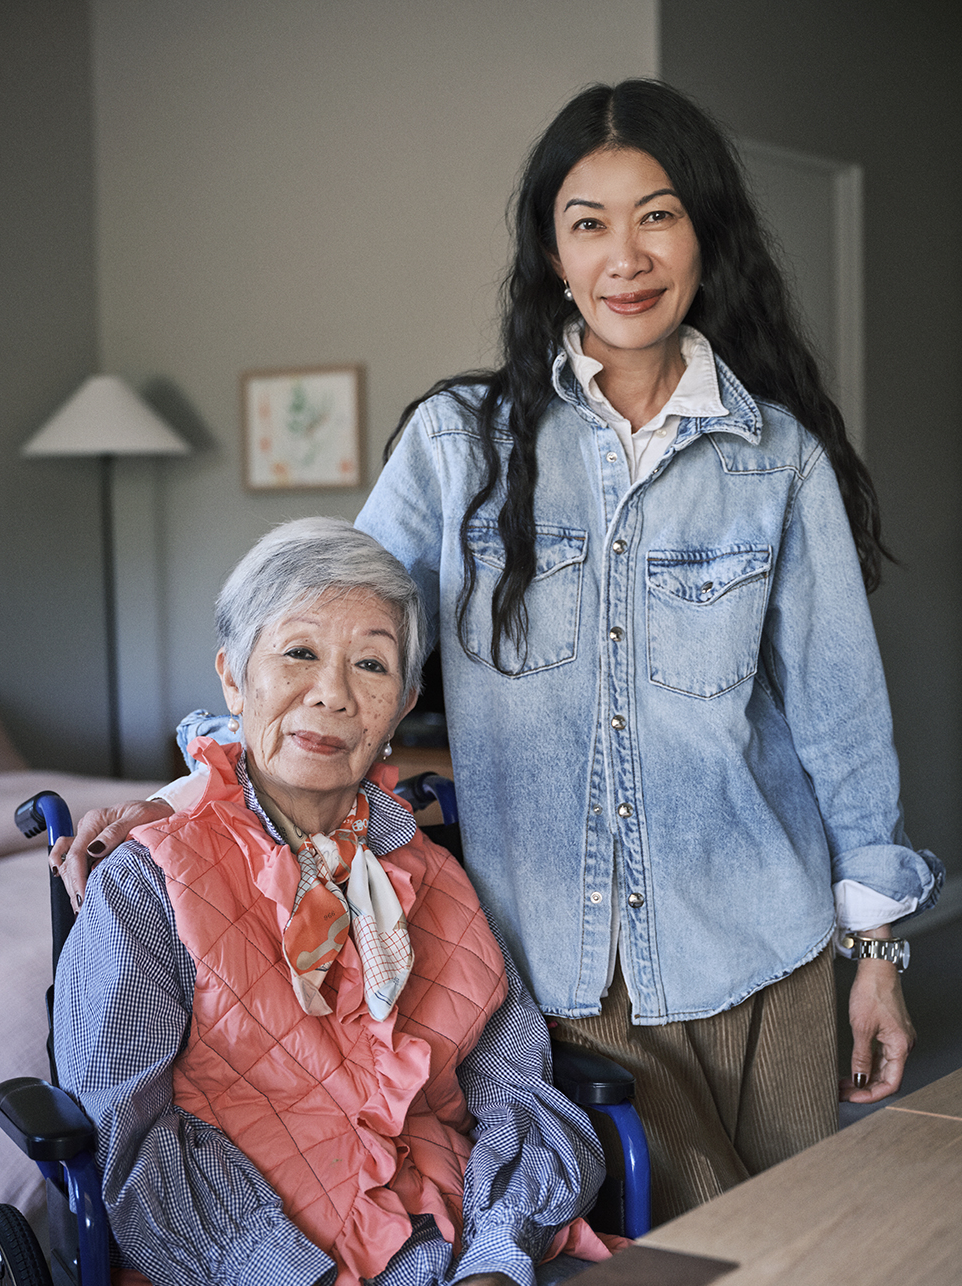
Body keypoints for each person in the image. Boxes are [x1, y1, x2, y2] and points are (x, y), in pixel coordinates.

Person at [56, 79, 942, 1225]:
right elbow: (332, 640)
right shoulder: (456, 445)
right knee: (675, 1273)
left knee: (785, 1274)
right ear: (553, 255)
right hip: (551, 971)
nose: (626, 254)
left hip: (763, 954)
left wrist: (877, 953)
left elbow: (839, 718)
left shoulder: (780, 462)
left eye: (658, 214)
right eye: (589, 223)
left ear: (706, 237)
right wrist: (197, 793)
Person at [52, 517, 615, 1286]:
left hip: (455, 1250)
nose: (331, 695)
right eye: (299, 653)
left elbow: (514, 1084)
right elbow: (131, 1144)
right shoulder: (146, 884)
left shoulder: (433, 876)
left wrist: (491, 1272)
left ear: (405, 701)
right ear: (234, 677)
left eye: (372, 665)